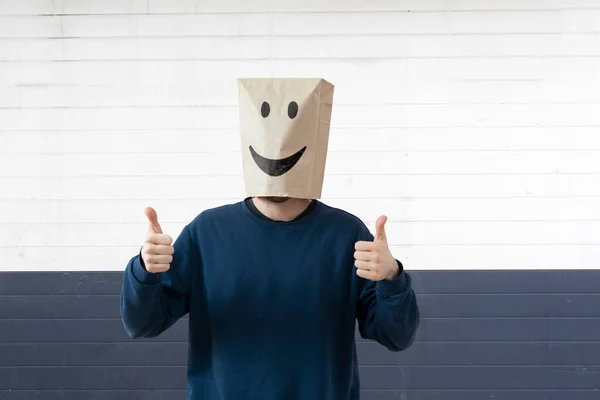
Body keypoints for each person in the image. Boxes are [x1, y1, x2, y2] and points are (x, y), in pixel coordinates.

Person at [120, 78, 419, 400]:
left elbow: (396, 337)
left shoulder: (347, 234)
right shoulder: (207, 231)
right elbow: (143, 325)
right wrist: (144, 270)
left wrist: (392, 277)